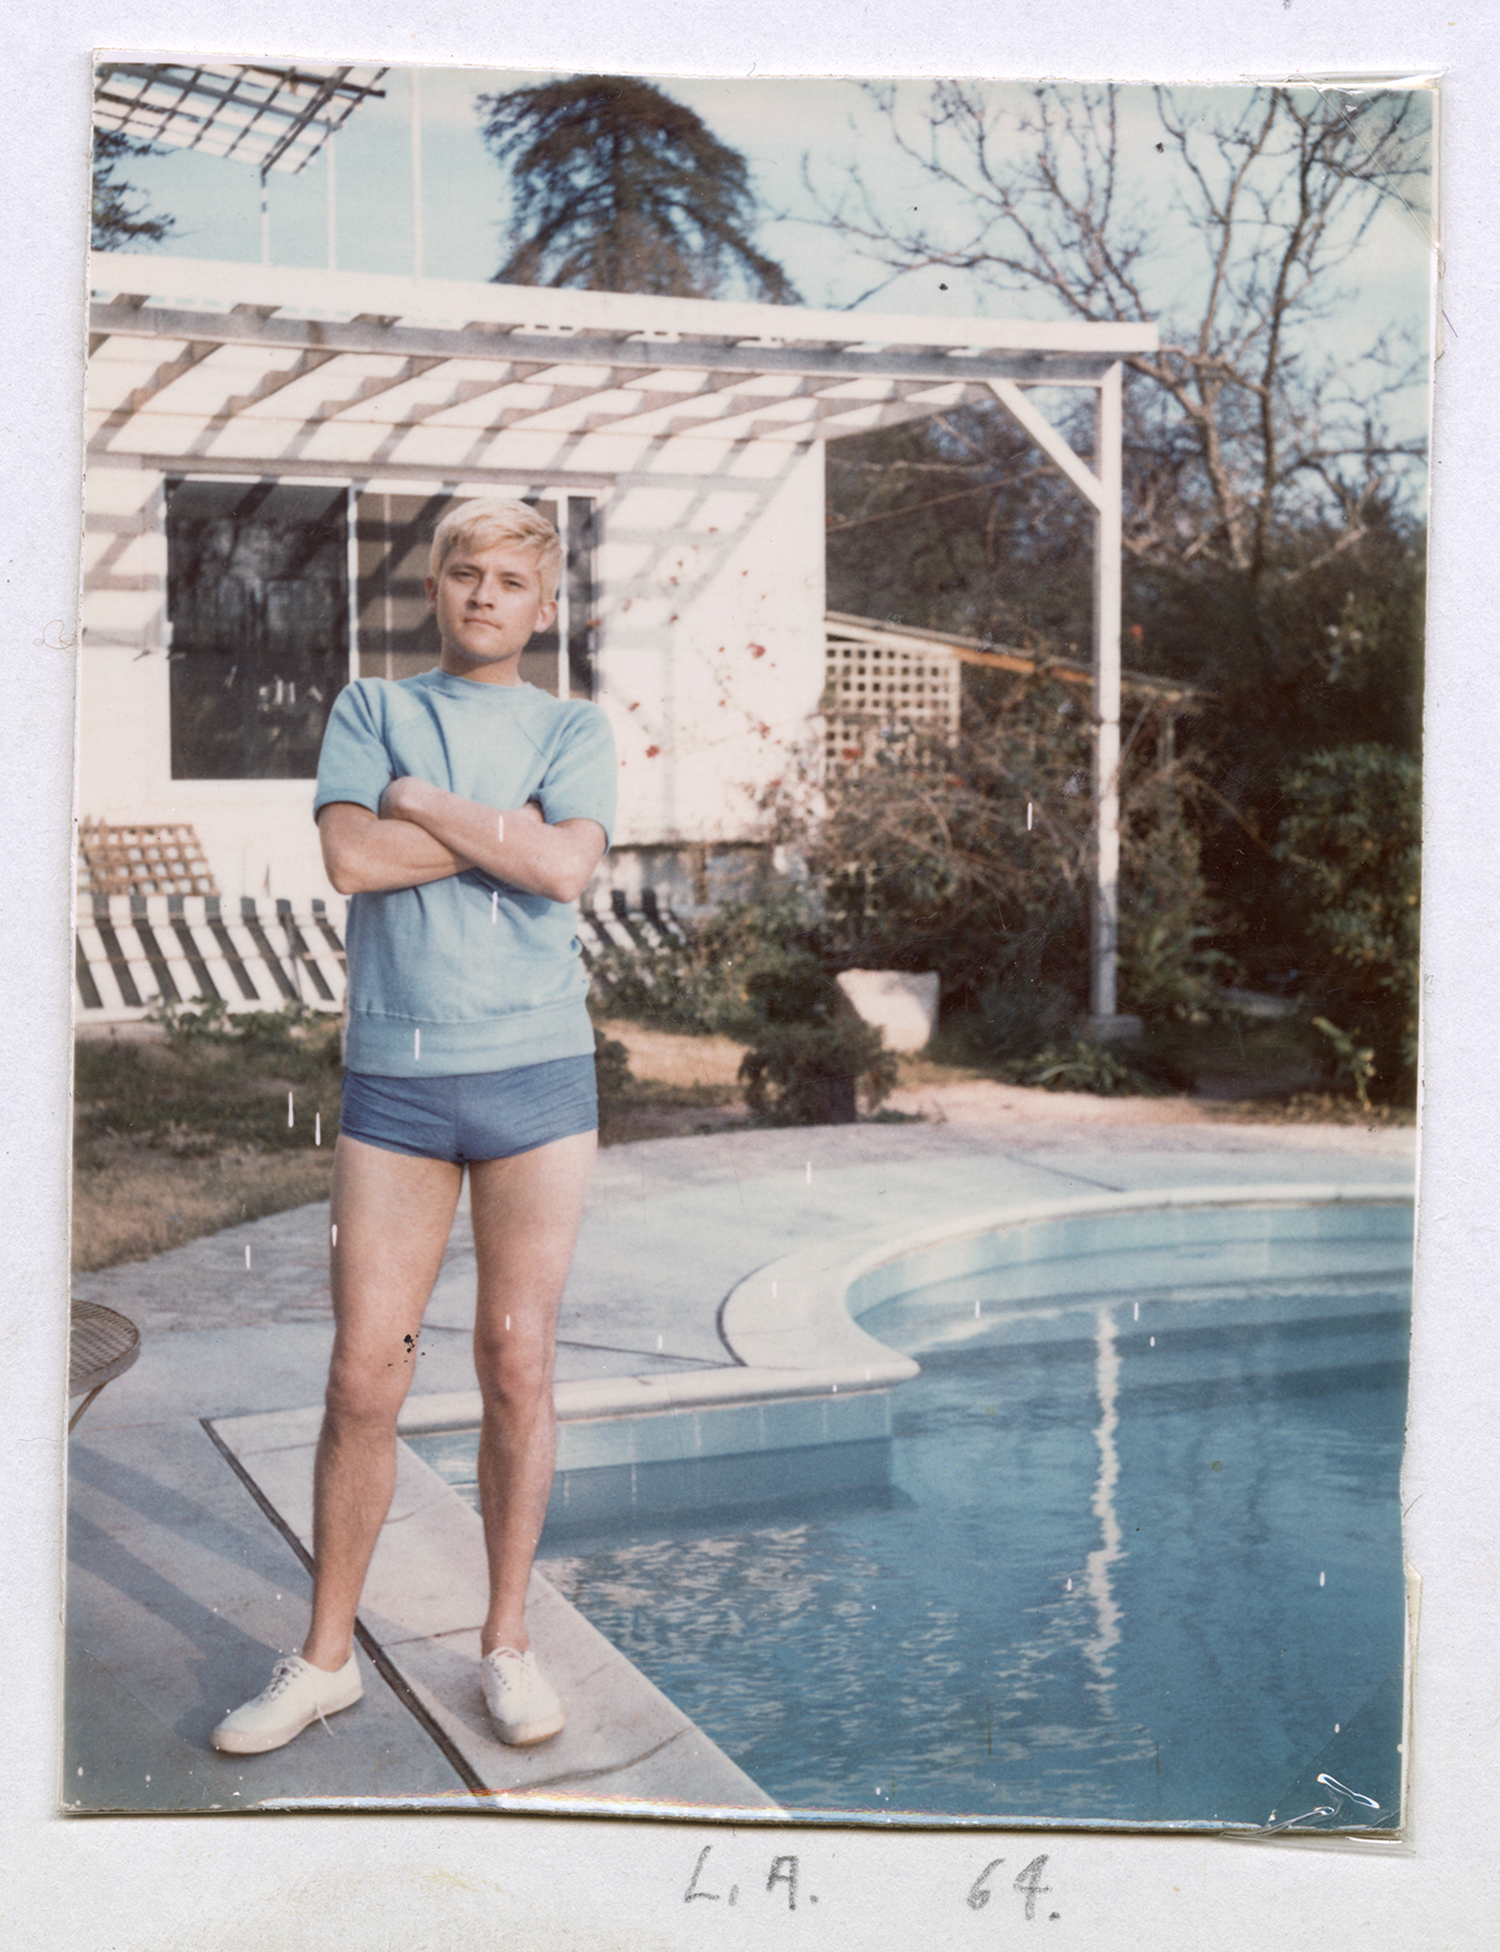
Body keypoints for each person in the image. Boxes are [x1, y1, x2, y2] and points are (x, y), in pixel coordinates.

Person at [212, 497, 616, 1755]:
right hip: (397, 1081)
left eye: (511, 580)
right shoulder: (370, 709)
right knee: (362, 1375)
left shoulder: (573, 725)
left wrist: (422, 807)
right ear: (435, 589)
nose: (486, 594)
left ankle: (504, 1642)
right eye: (464, 574)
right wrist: (508, 833)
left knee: (517, 1361)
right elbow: (352, 863)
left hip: (539, 1078)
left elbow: (566, 873)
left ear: (544, 607)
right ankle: (326, 1656)